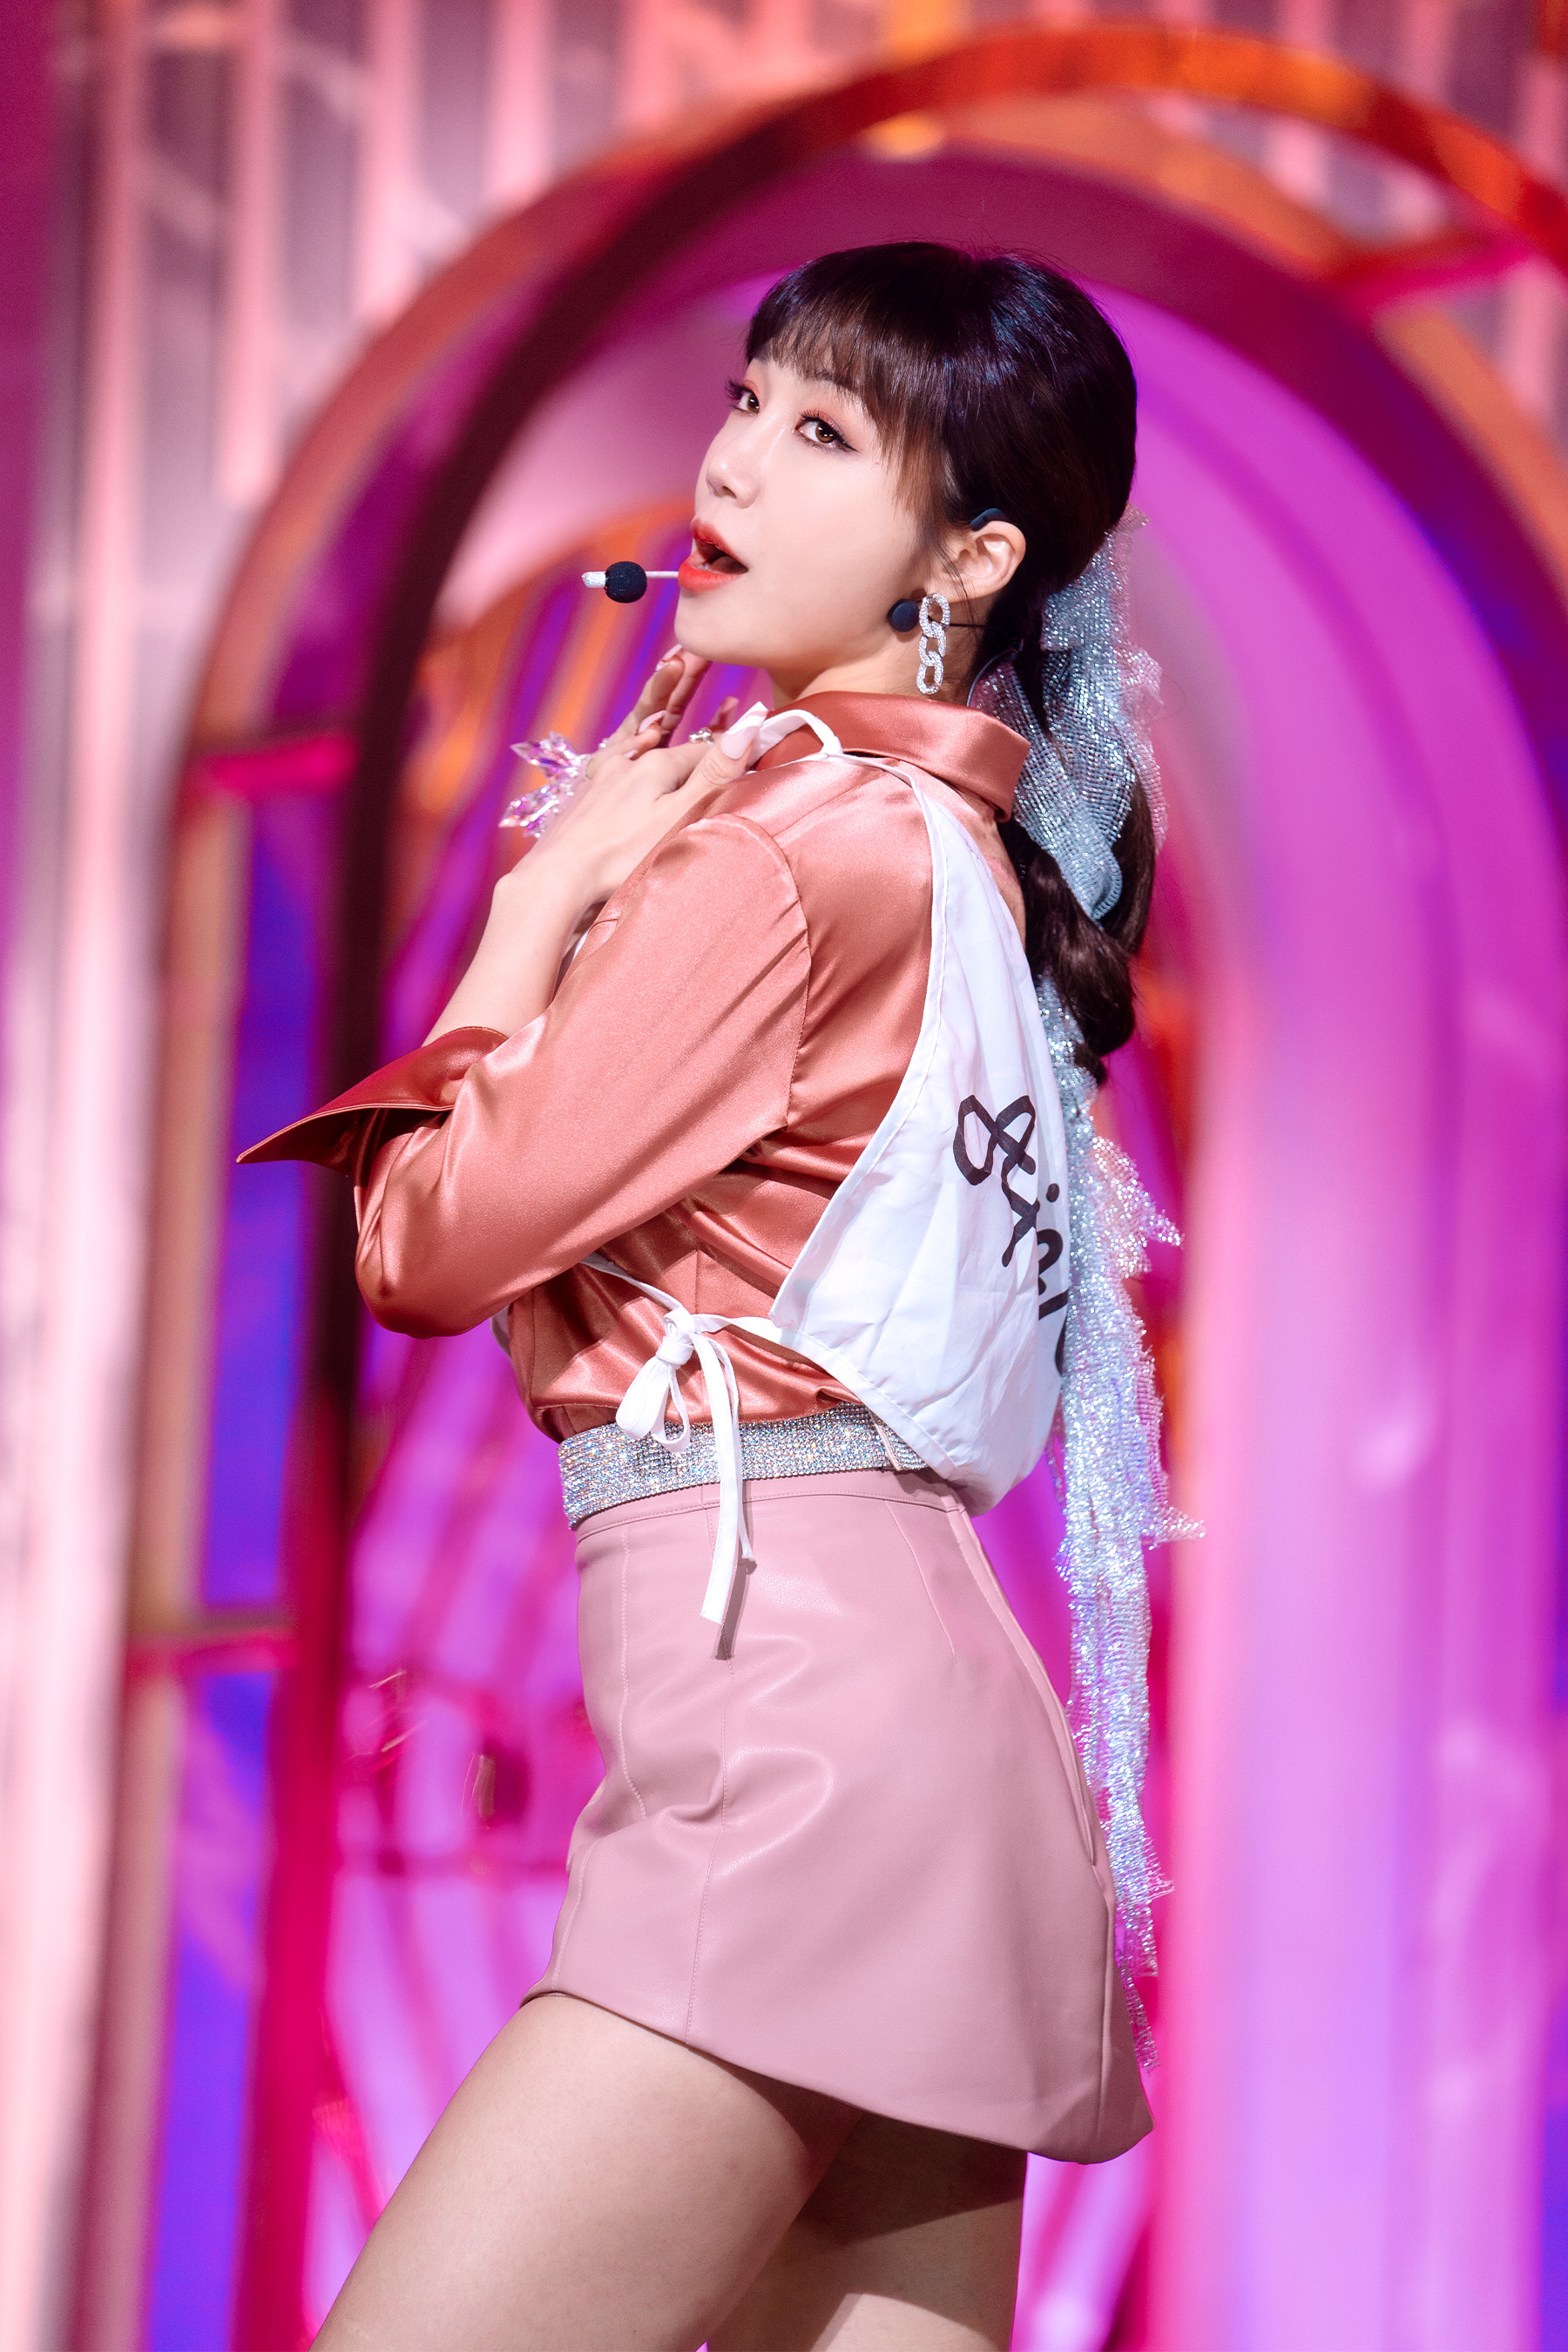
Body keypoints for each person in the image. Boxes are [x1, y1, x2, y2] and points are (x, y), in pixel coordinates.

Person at [245, 241, 1180, 2352]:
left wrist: (536, 912)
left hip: (787, 1747)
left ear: (974, 557)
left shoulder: (785, 851)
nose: (736, 462)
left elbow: (426, 1245)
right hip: (936, 1733)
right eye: (748, 402)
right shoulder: (968, 870)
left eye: (824, 432)